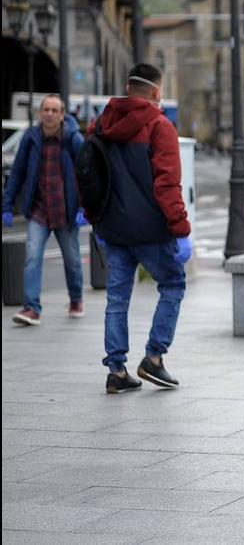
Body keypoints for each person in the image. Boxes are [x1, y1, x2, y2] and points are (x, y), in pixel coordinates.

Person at [92, 64, 193, 394]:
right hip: (151, 230)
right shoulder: (159, 127)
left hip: (114, 228)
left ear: (127, 87)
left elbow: (87, 173)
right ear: (155, 92)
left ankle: (116, 370)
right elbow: (167, 184)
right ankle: (153, 357)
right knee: (173, 284)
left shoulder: (101, 124)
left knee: (117, 298)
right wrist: (180, 230)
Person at [3, 95, 87, 326]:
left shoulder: (73, 139)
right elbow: (18, 173)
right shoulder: (31, 138)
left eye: (54, 110)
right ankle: (32, 308)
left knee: (72, 260)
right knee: (31, 257)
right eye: (45, 110)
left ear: (62, 115)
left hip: (65, 212)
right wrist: (7, 205)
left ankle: (76, 299)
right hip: (38, 211)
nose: (49, 114)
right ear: (41, 113)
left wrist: (83, 208)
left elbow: (86, 175)